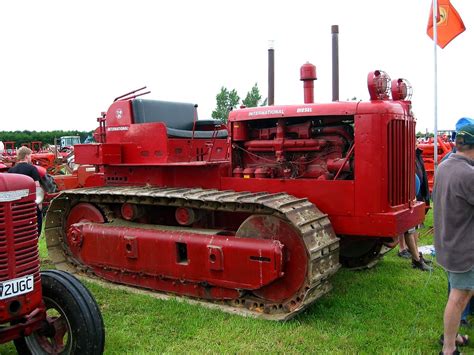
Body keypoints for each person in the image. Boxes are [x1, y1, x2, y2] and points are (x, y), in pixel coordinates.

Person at [434, 119, 474, 355]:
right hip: (463, 249)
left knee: (460, 292)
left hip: (447, 243)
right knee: (459, 296)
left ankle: (454, 334)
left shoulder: (444, 166)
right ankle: (449, 348)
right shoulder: (468, 174)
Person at [398, 145, 432, 271]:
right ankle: (416, 260)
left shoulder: (416, 154)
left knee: (416, 226)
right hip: (407, 195)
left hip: (415, 195)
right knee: (410, 228)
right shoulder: (402, 155)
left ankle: (417, 255)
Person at [8, 146, 43, 235]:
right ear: (26, 156)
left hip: (16, 205)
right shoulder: (32, 169)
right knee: (35, 225)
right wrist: (39, 204)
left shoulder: (11, 170)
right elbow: (37, 186)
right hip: (30, 204)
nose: (31, 158)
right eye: (30, 155)